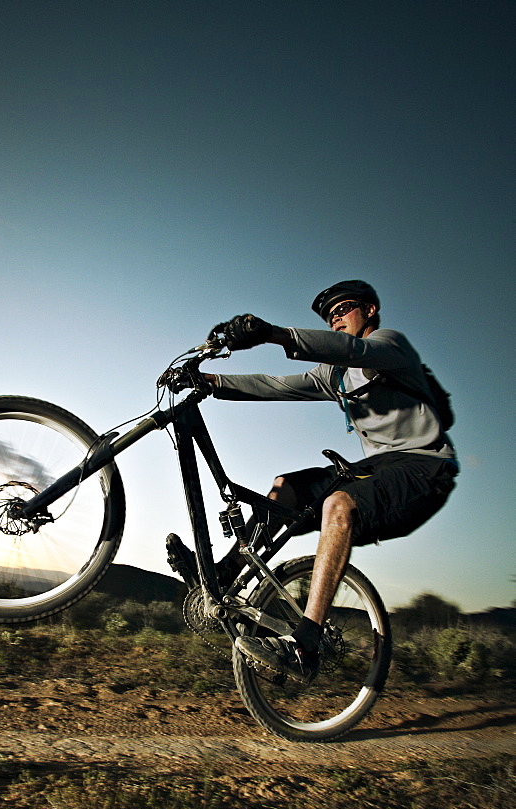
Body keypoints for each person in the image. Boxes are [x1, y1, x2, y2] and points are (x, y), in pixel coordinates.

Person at [166, 279, 458, 682]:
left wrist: (272, 334)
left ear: (370, 311)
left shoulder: (391, 346)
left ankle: (306, 644)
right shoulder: (335, 377)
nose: (335, 318)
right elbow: (277, 385)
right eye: (329, 315)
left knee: (338, 504)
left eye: (344, 309)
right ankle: (227, 571)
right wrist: (211, 382)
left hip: (423, 468)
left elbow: (355, 350)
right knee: (285, 487)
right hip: (375, 467)